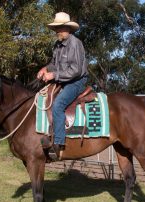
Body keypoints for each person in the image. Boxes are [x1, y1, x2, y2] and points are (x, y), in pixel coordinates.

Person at [37, 12, 88, 159]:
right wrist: (45, 68)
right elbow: (54, 64)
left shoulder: (75, 44)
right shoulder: (57, 44)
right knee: (44, 98)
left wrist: (53, 75)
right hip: (63, 80)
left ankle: (58, 143)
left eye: (60, 28)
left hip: (76, 81)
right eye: (56, 28)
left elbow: (76, 70)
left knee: (58, 105)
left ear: (68, 28)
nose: (58, 31)